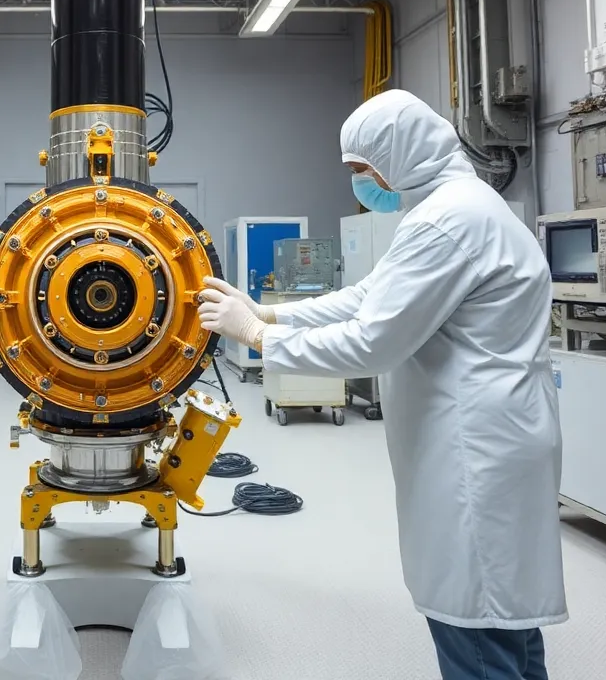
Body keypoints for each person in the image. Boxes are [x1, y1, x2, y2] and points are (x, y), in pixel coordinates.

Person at [198, 89, 566, 680]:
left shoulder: (448, 222)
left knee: (476, 624)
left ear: (401, 154)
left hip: (474, 449)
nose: (360, 183)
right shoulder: (461, 206)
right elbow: (369, 296)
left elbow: (373, 341)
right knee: (507, 619)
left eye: (363, 169)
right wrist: (271, 312)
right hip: (498, 435)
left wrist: (260, 338)